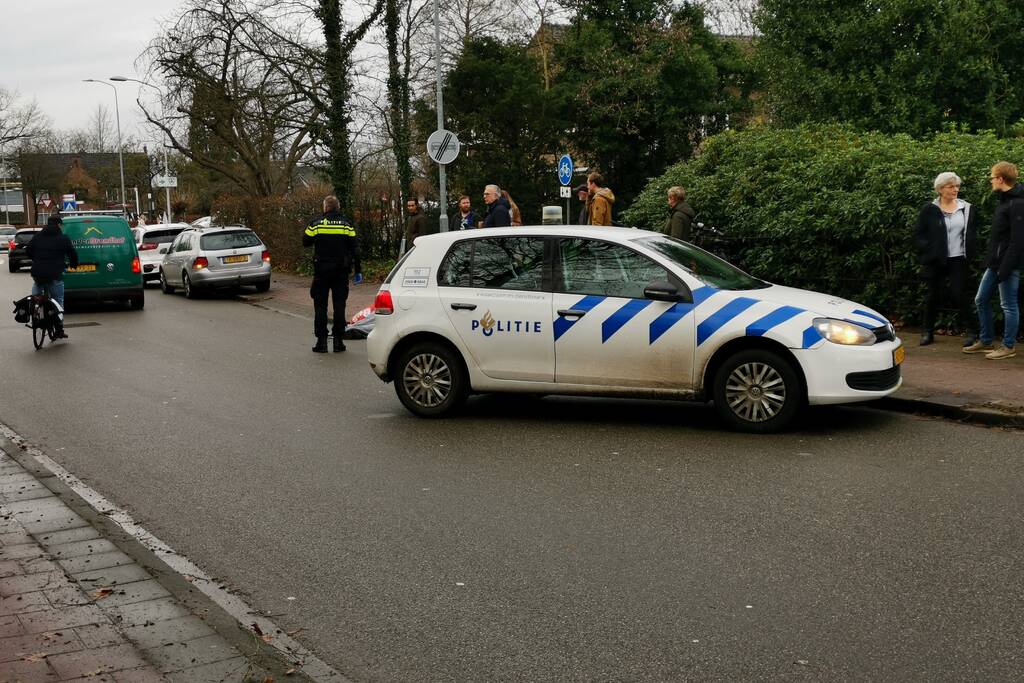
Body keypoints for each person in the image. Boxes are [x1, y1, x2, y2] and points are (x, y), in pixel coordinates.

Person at [964, 162, 1023, 359]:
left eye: (992, 177)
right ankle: (986, 340)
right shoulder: (1004, 200)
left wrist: (1005, 268)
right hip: (995, 263)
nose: (990, 181)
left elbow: (1017, 241)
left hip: (1007, 265)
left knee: (1008, 305)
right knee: (981, 299)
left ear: (1000, 179)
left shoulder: (1017, 204)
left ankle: (1008, 346)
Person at [914, 172, 978, 347]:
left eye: (957, 186)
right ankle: (927, 332)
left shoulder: (966, 208)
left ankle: (973, 331)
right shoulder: (929, 209)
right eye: (951, 187)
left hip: (958, 259)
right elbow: (919, 234)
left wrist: (971, 252)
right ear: (940, 189)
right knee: (932, 295)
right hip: (936, 259)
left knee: (959, 293)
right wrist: (930, 250)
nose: (955, 189)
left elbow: (972, 234)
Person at [303, 195, 362, 353]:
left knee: (320, 306)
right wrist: (358, 270)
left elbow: (305, 241)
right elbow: (355, 249)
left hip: (321, 272)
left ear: (325, 207)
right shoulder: (346, 224)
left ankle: (321, 342)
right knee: (339, 306)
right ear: (338, 208)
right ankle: (338, 342)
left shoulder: (316, 223)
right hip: (341, 271)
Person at [25, 214, 78, 339]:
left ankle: (34, 310)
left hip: (38, 272)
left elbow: (28, 250)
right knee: (58, 300)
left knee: (36, 294)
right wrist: (74, 264)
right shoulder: (63, 238)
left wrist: (37, 259)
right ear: (59, 225)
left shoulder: (38, 236)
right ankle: (59, 329)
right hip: (55, 273)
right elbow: (72, 253)